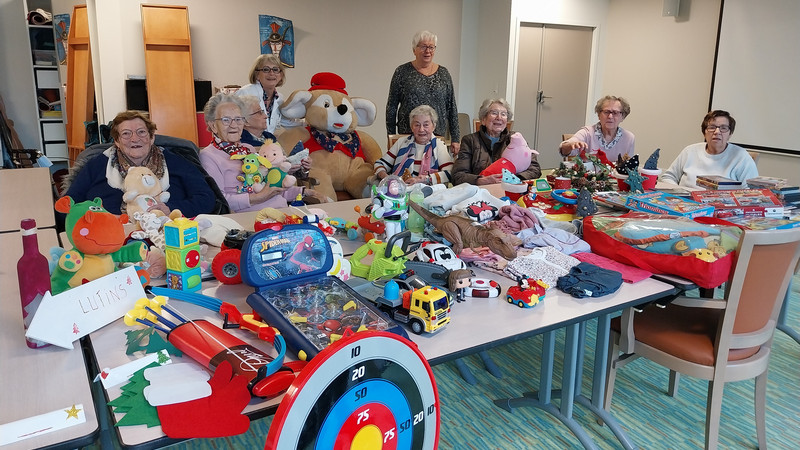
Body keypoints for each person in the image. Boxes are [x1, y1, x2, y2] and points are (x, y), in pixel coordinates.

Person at [63, 111, 216, 217]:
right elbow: (67, 206)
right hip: (109, 238)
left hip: (168, 232)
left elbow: (206, 198)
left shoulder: (176, 161)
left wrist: (171, 209)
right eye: (126, 134)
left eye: (141, 132)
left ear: (152, 137)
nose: (135, 139)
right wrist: (100, 218)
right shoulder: (96, 165)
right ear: (116, 141)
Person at [199, 93, 325, 212]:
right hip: (250, 219)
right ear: (213, 125)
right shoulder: (209, 156)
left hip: (281, 210)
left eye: (238, 119)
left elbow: (271, 187)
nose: (234, 125)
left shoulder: (248, 149)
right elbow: (218, 200)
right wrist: (257, 198)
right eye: (226, 120)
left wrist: (302, 192)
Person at [386, 30, 460, 154]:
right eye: (423, 47)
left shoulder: (444, 73)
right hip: (408, 135)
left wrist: (456, 138)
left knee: (434, 171)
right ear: (414, 49)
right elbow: (391, 107)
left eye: (431, 47)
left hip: (436, 135)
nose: (428, 51)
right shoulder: (402, 72)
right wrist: (391, 137)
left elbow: (451, 107)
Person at [451, 98, 541, 186]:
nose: (499, 118)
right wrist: (481, 180)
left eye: (503, 114)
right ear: (483, 119)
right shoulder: (470, 140)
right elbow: (458, 176)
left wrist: (512, 179)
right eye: (494, 113)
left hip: (511, 190)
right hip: (481, 192)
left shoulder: (516, 139)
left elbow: (535, 169)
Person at [661, 110, 758, 187]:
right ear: (704, 132)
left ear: (730, 134)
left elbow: (752, 191)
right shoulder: (690, 151)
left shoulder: (741, 157)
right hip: (684, 203)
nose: (717, 132)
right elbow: (669, 176)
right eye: (712, 127)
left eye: (723, 128)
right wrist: (678, 192)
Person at [374, 105, 454, 186]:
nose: (421, 129)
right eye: (417, 125)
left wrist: (424, 179)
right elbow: (380, 164)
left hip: (427, 192)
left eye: (426, 125)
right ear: (412, 127)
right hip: (399, 190)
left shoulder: (438, 145)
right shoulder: (402, 142)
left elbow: (450, 173)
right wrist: (387, 178)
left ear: (433, 126)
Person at [559, 95, 635, 163]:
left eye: (615, 113)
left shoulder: (629, 138)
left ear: (623, 117)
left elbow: (628, 164)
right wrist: (569, 145)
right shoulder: (587, 132)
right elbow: (564, 149)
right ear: (598, 114)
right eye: (606, 112)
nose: (610, 116)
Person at [236, 54, 296, 134]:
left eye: (275, 70)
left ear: (281, 75)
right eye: (266, 69)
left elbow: (288, 123)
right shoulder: (245, 93)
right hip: (244, 142)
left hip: (266, 143)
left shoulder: (280, 99)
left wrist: (309, 124)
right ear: (257, 74)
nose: (271, 73)